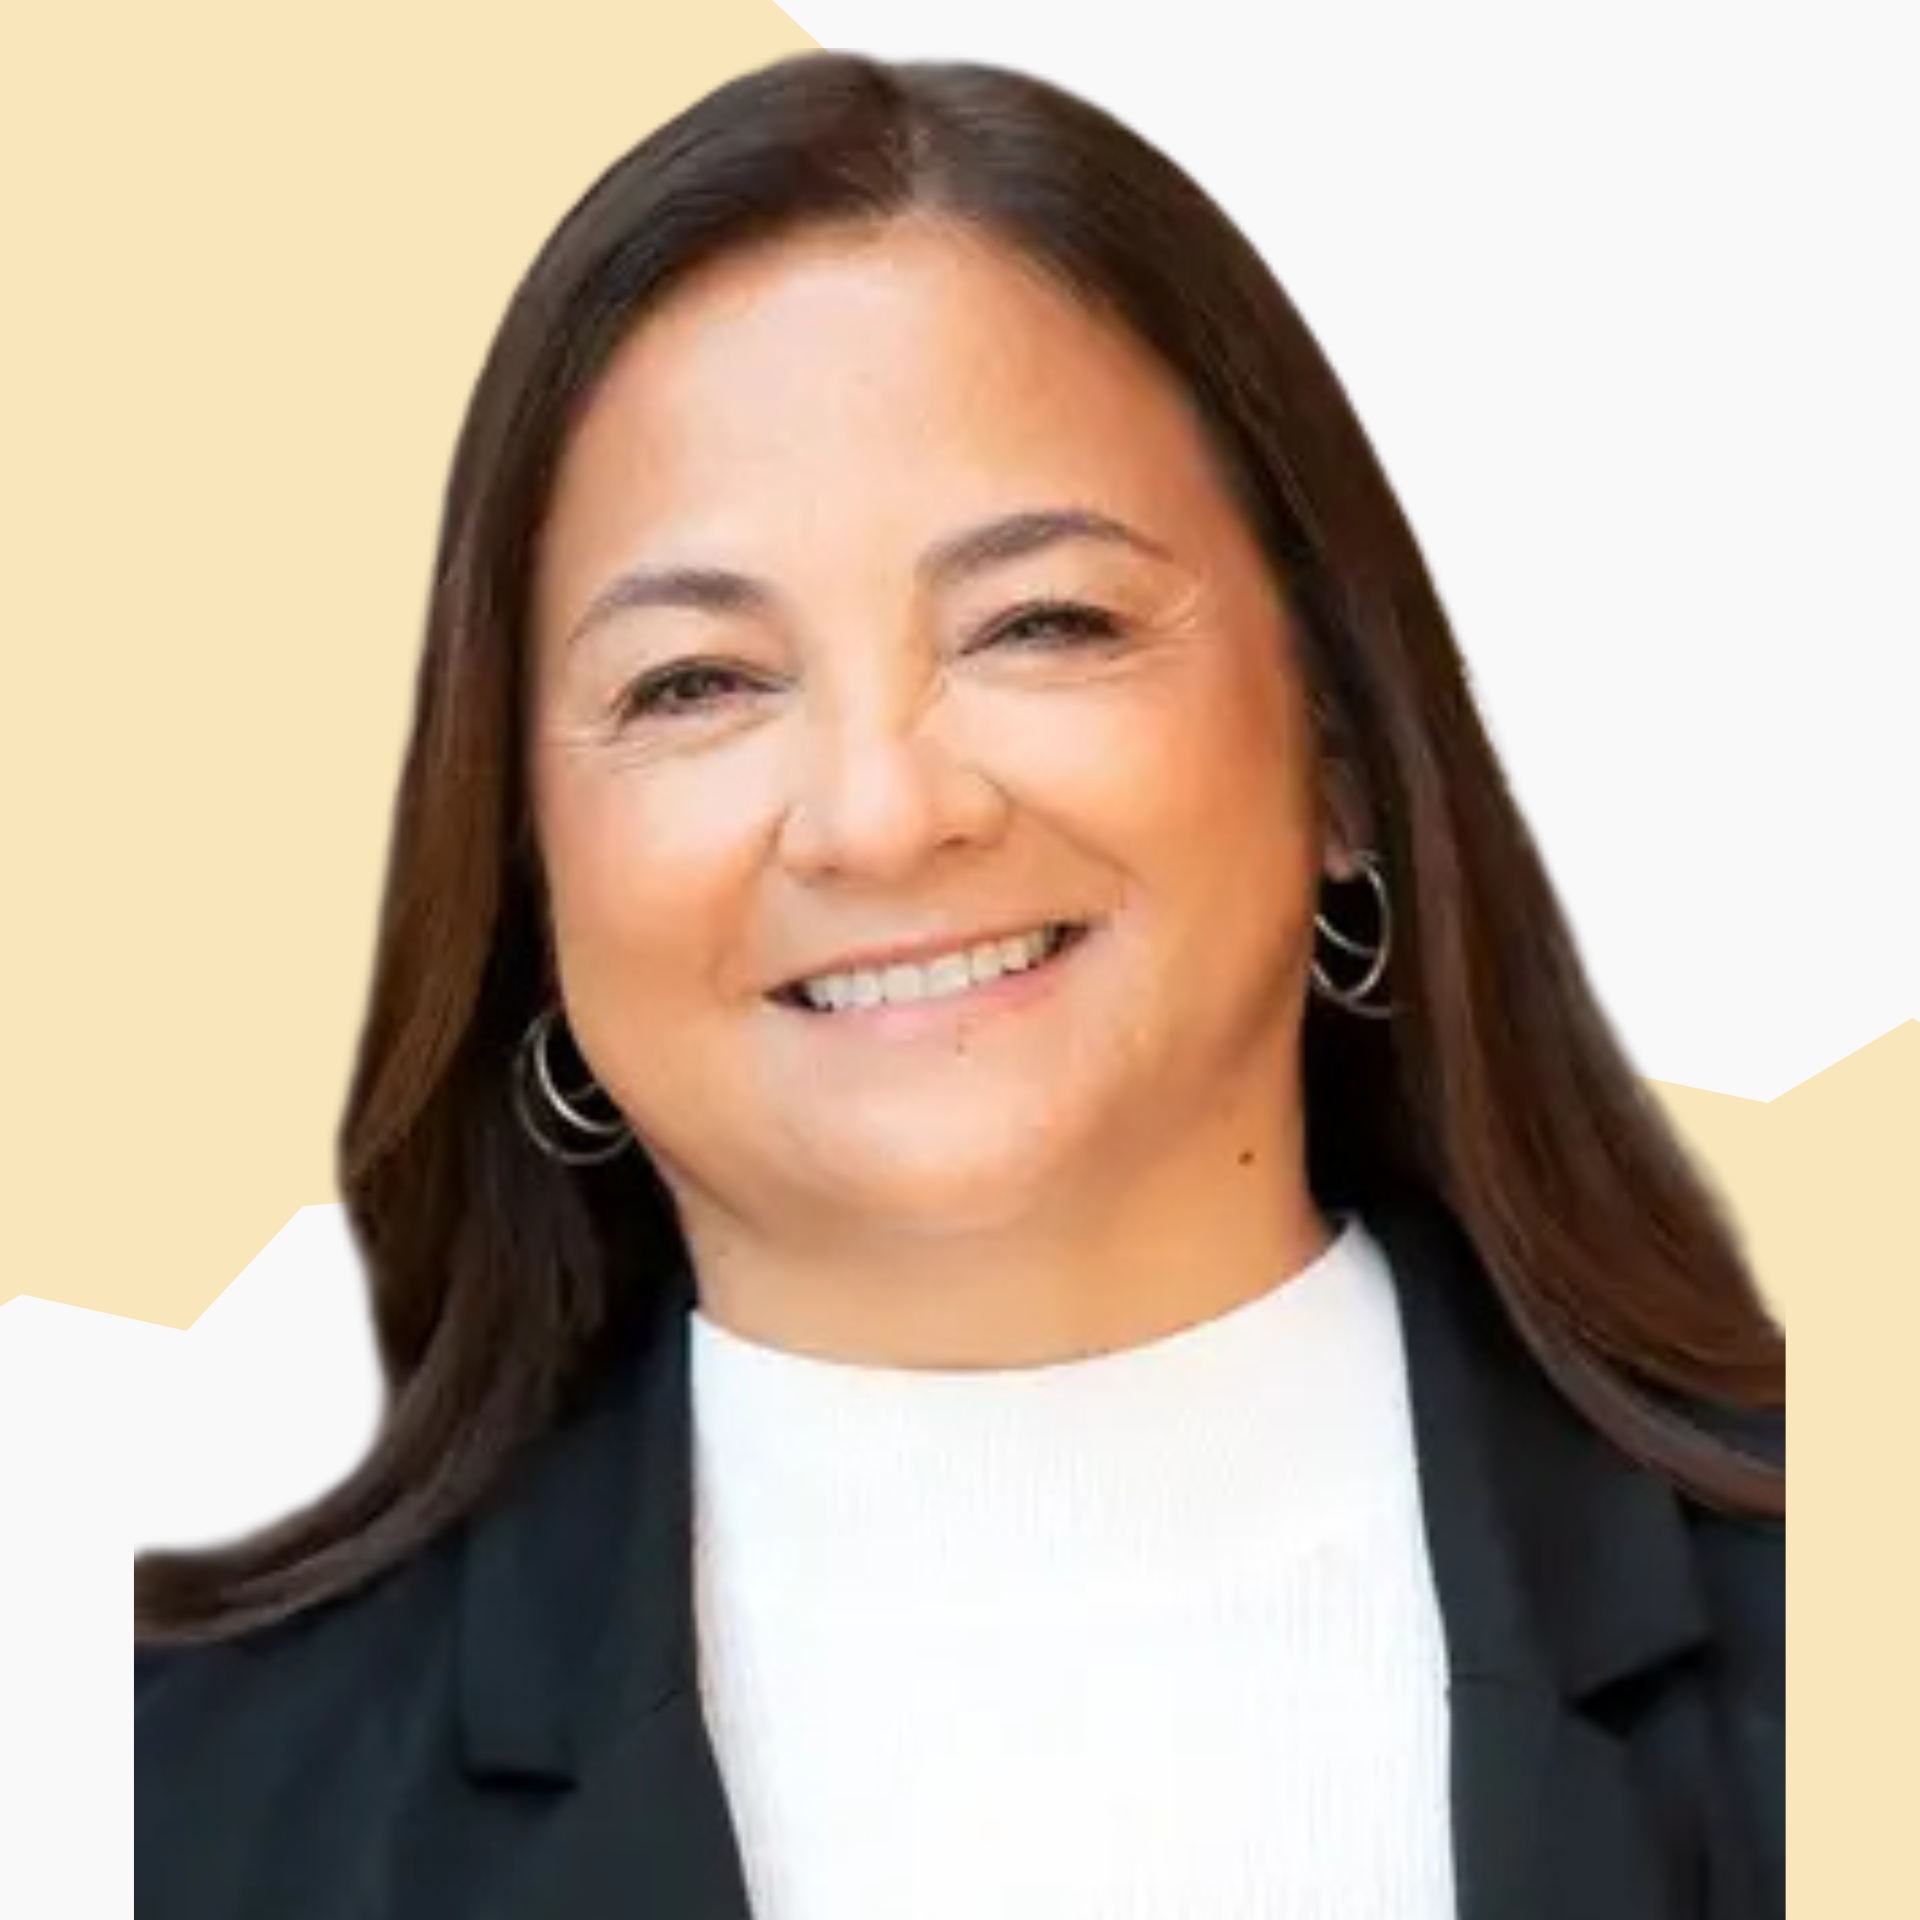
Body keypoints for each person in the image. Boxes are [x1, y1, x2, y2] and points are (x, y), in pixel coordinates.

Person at [133, 48, 1783, 1920]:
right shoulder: (156, 1816)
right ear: (525, 861)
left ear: (1339, 747)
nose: (882, 813)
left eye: (1040, 623)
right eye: (695, 682)